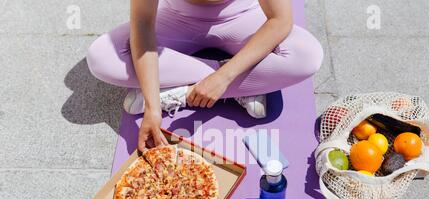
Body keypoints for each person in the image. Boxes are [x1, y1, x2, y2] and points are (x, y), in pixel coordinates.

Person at [86, 0, 323, 151]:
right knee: (102, 57)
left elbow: (280, 20)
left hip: (241, 17)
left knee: (307, 55)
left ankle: (180, 90)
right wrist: (152, 107)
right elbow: (143, 24)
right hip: (176, 18)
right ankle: (249, 84)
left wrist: (224, 78)